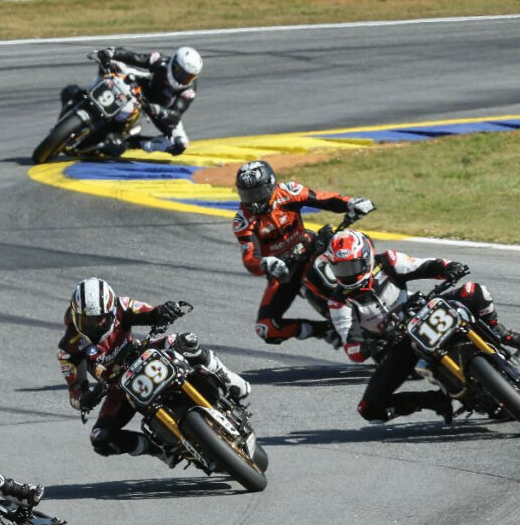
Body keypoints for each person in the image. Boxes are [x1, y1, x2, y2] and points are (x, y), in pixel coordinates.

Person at [324, 229, 520, 424]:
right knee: (369, 409)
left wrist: (449, 268)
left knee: (474, 291)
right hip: (397, 344)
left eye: (352, 266)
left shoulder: (387, 261)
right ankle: (433, 400)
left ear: (366, 257)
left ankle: (499, 331)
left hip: (421, 311)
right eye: (340, 269)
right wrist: (368, 348)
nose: (348, 274)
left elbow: (425, 265)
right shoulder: (339, 301)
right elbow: (351, 344)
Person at [57, 277, 250, 464]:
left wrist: (166, 310)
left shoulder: (121, 306)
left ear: (111, 311)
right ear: (75, 315)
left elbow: (151, 312)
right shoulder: (68, 348)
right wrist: (85, 398)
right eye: (87, 320)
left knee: (186, 340)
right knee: (100, 438)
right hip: (118, 388)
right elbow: (75, 391)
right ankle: (159, 450)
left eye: (100, 319)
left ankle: (229, 379)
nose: (95, 325)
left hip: (144, 354)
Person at [232, 159, 375, 346]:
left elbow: (323, 198)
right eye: (247, 194)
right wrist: (265, 263)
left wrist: (350, 203)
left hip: (310, 250)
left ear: (271, 185)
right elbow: (249, 258)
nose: (253, 200)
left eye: (257, 193)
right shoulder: (242, 221)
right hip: (284, 270)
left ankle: (382, 285)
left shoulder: (288, 192)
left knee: (350, 248)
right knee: (266, 328)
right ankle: (325, 330)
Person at [61, 45, 202, 157]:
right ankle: (87, 94)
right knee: (114, 66)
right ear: (174, 64)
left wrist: (160, 111)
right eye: (182, 73)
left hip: (161, 110)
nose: (184, 79)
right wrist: (112, 52)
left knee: (180, 144)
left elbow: (176, 114)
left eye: (189, 76)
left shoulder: (188, 90)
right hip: (143, 86)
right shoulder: (160, 61)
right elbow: (133, 57)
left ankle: (132, 143)